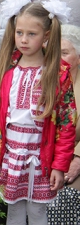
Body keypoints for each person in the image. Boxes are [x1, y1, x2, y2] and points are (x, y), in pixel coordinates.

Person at [0, 1, 76, 225]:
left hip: (40, 156)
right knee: (13, 211)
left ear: (46, 35)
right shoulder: (6, 68)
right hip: (10, 154)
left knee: (37, 212)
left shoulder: (58, 74)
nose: (23, 39)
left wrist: (59, 165)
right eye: (19, 32)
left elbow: (66, 124)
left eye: (31, 34)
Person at [47, 24, 80, 224]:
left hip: (75, 158)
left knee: (66, 198)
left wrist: (77, 159)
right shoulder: (41, 79)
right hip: (44, 158)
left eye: (65, 53)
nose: (59, 58)